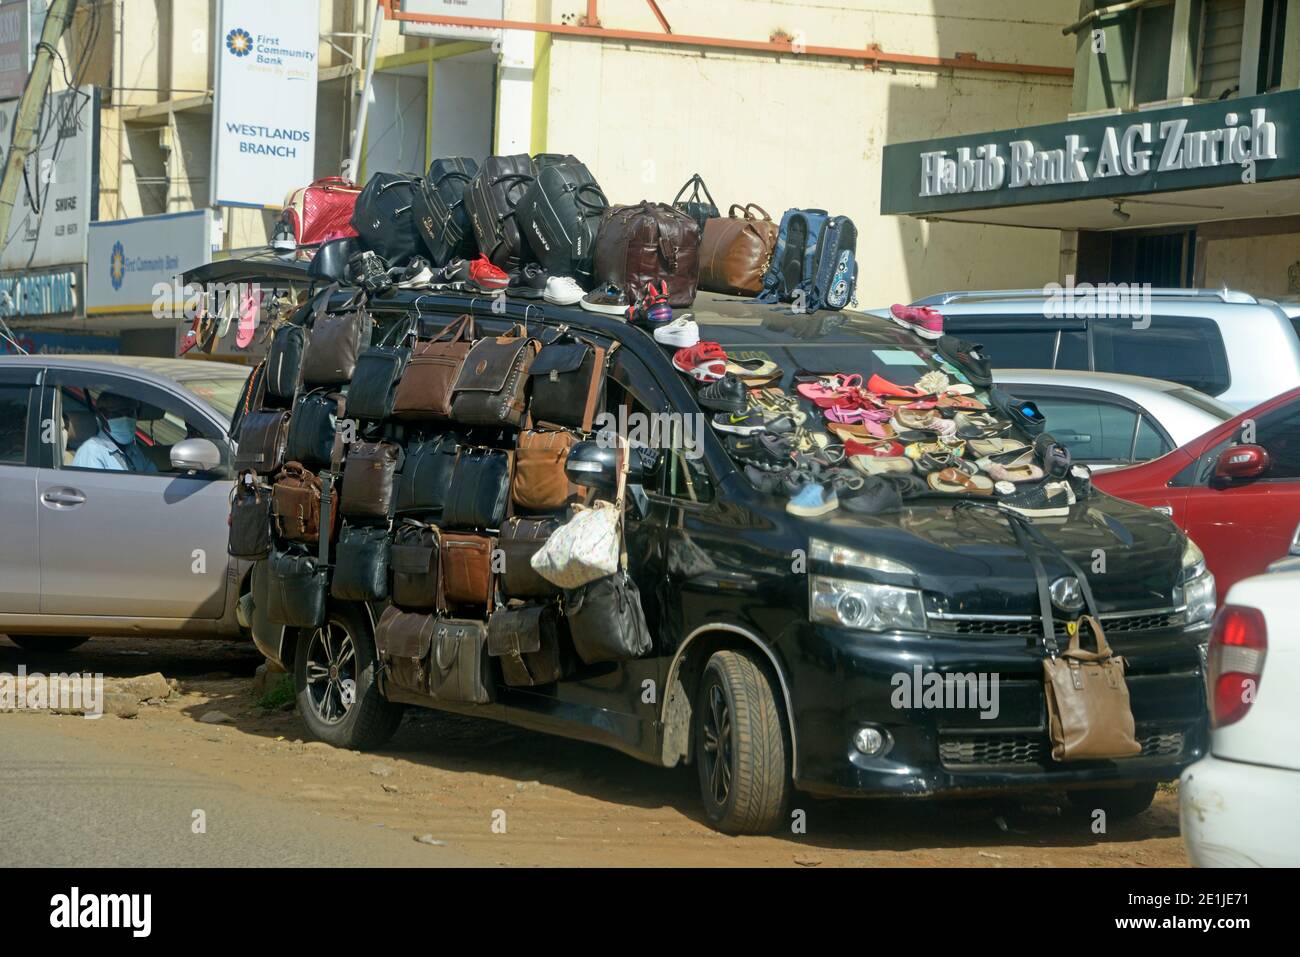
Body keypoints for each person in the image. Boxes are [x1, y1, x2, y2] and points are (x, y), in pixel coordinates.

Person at [70, 392, 158, 473]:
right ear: (101, 416)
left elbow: (154, 478)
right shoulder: (92, 452)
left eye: (129, 413)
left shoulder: (133, 450)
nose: (125, 419)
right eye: (117, 414)